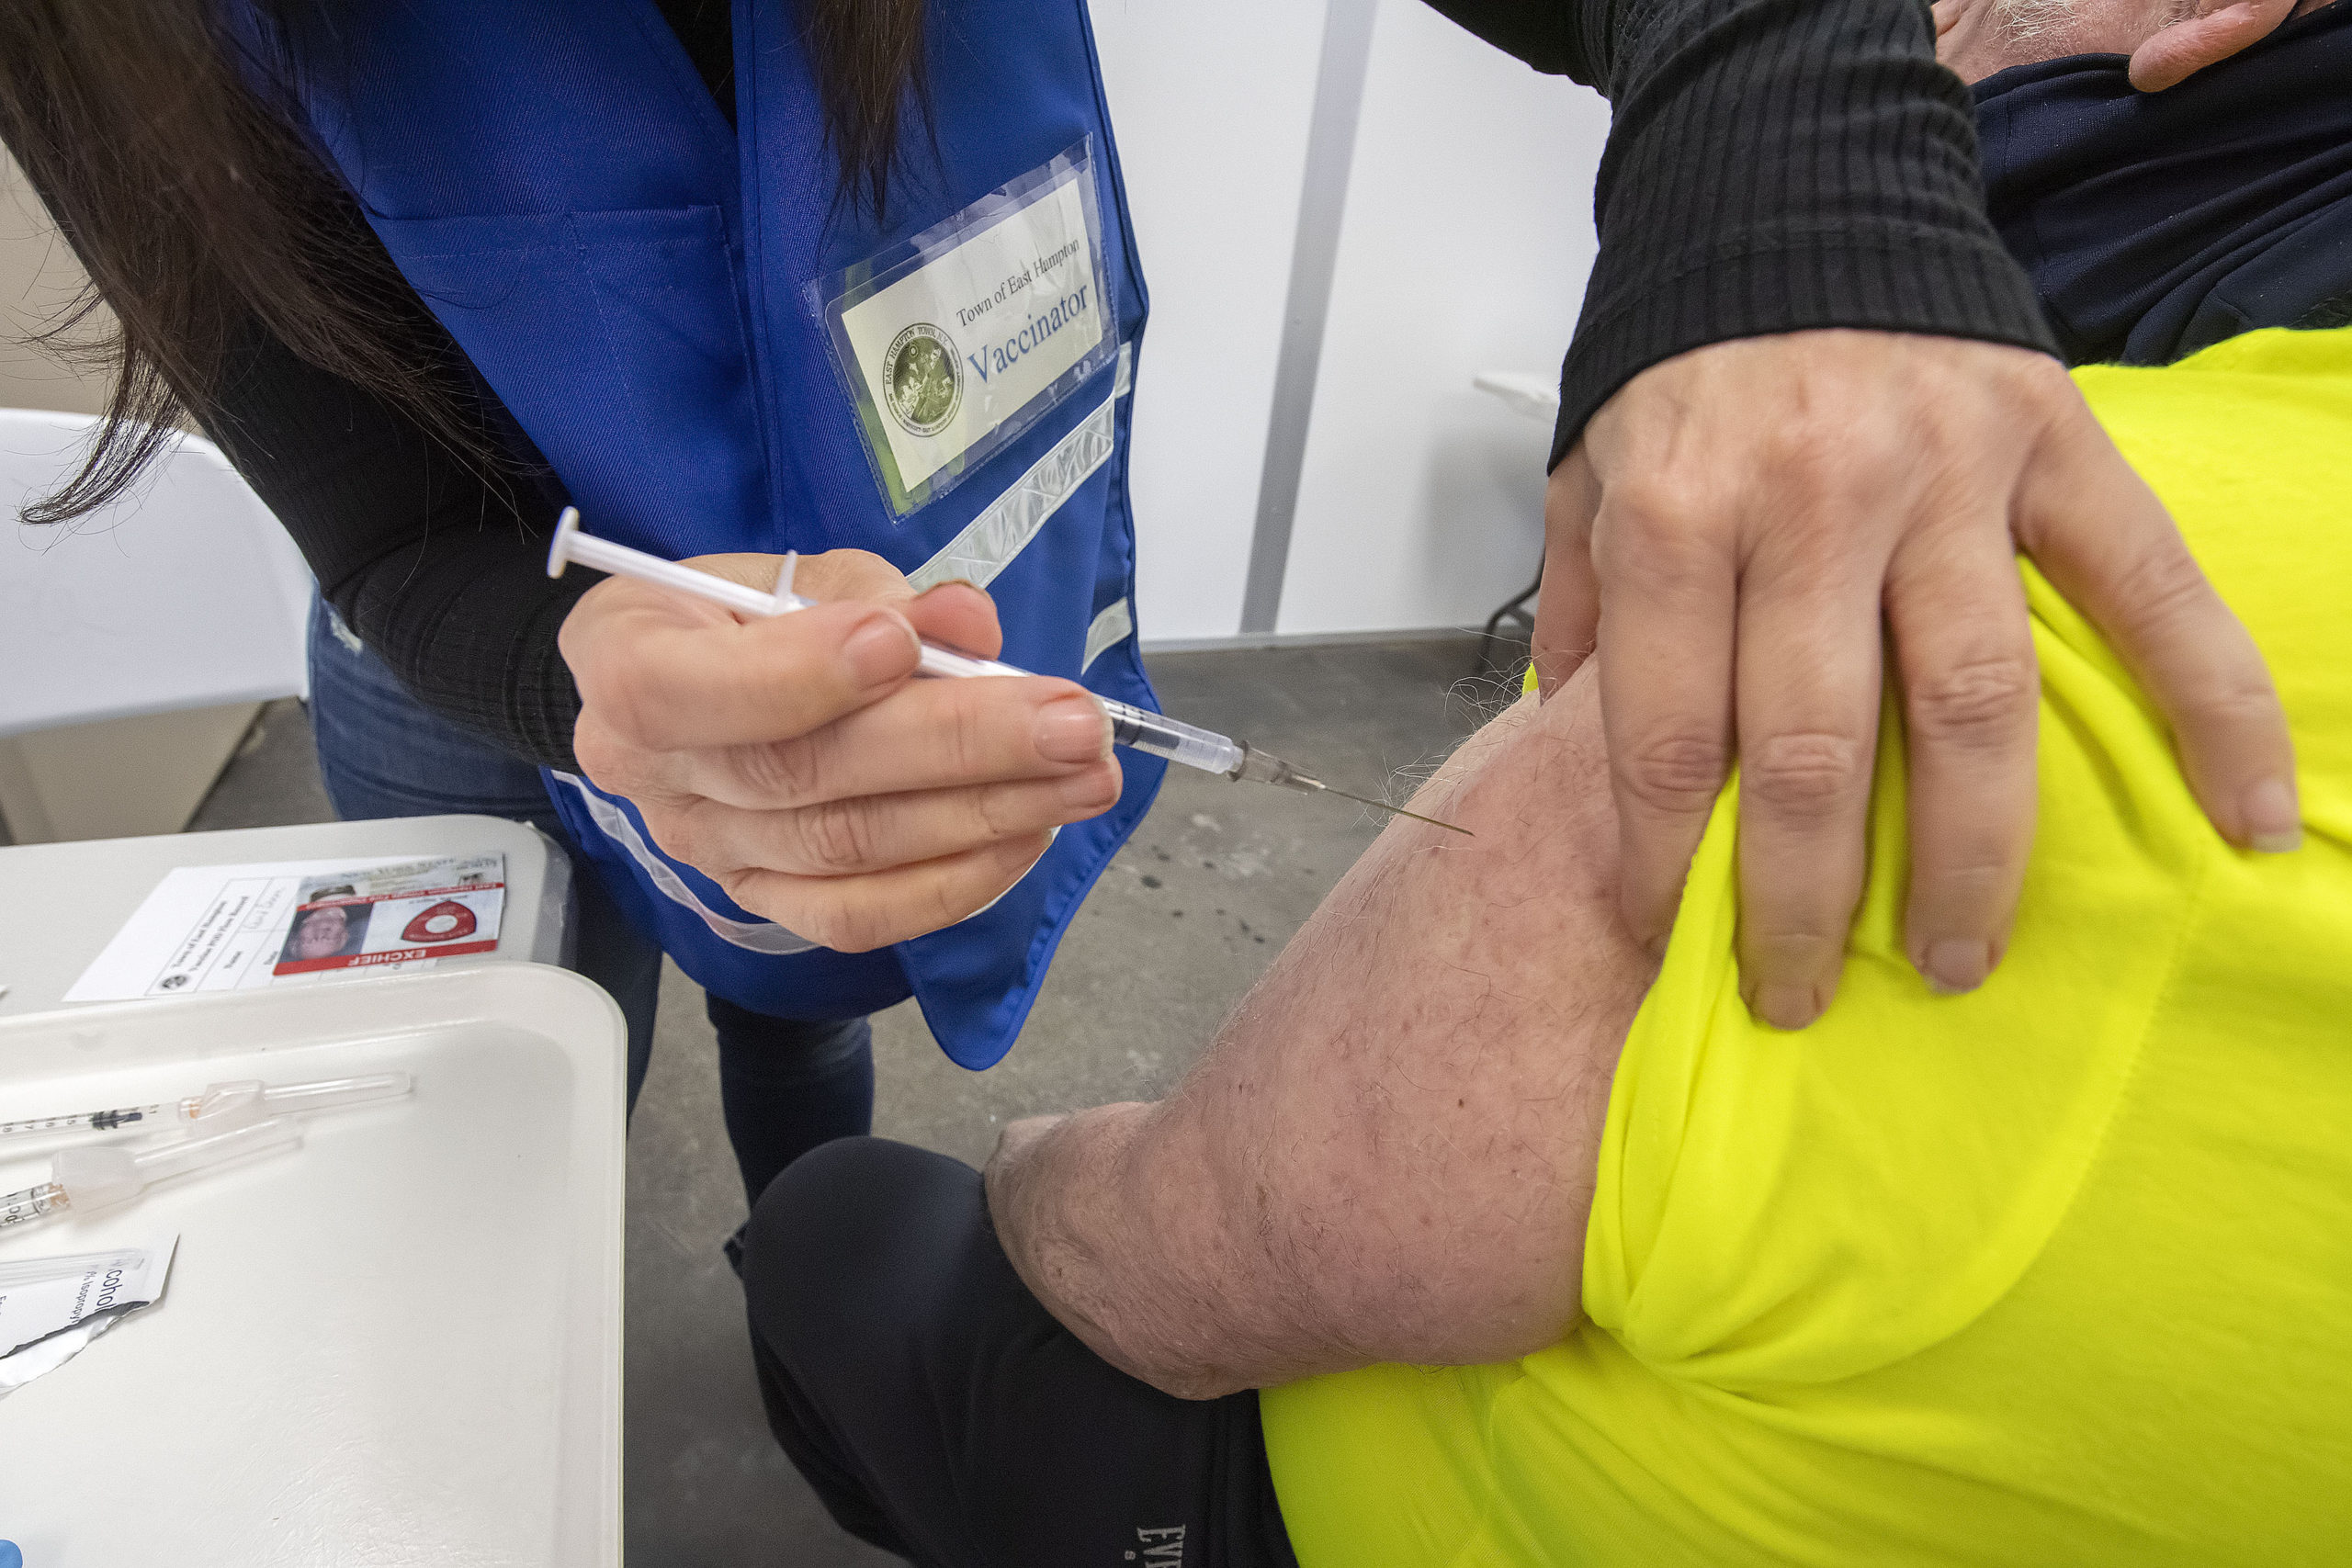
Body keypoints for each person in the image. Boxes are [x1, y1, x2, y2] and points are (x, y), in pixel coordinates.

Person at [0, 0, 2294, 1208]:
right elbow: (399, 541)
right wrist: (564, 662)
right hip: (475, 673)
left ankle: (789, 1202)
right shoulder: (119, 42)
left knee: (807, 986)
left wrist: (1788, 170)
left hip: (891, 589)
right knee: (526, 1077)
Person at [736, 2, 2352, 1561]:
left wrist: (1037, 1158)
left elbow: (1163, 1261)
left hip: (1343, 1492)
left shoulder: (1930, 577)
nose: (1904, 47)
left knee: (838, 1231)